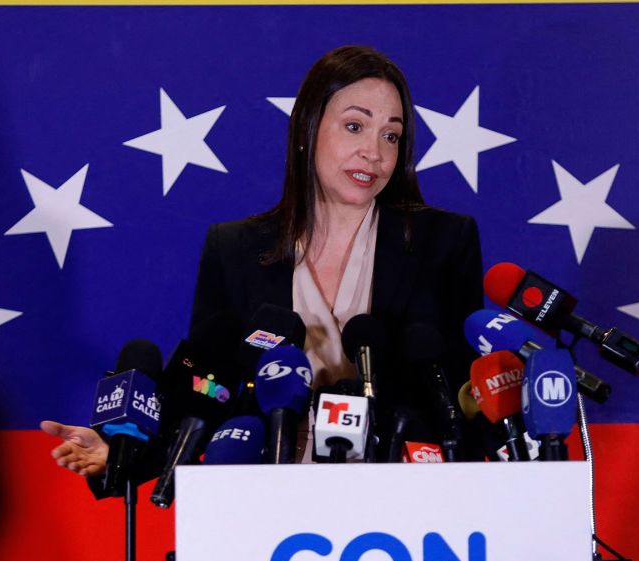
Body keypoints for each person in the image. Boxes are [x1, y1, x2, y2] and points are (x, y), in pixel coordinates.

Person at [42, 44, 483, 476]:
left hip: (405, 498)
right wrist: (125, 452)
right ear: (307, 129)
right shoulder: (233, 248)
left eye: (391, 135)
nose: (375, 152)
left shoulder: (443, 241)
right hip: (266, 501)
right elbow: (208, 388)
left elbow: (460, 396)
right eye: (354, 127)